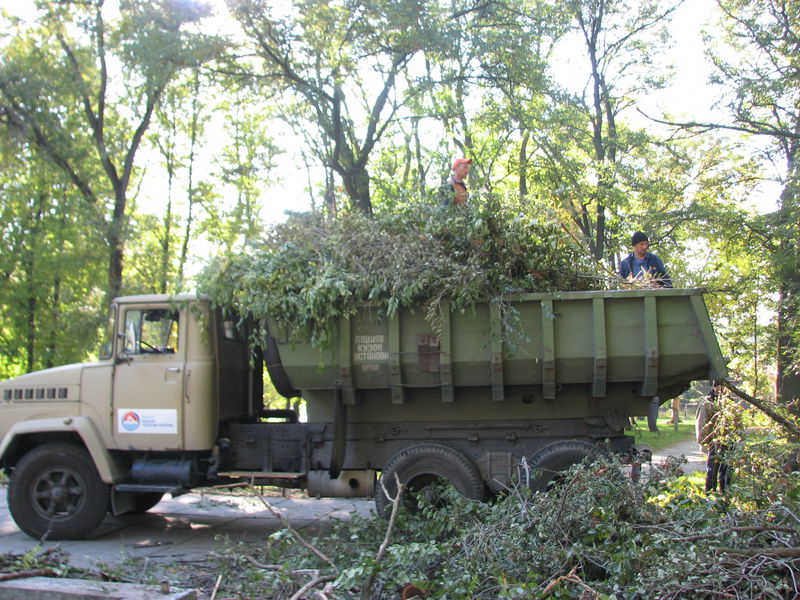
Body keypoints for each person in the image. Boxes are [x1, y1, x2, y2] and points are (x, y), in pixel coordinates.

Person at [695, 383, 731, 493]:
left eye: (723, 386)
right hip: (713, 441)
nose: (721, 388)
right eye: (719, 386)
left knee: (726, 470)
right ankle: (710, 492)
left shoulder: (729, 402)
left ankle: (725, 493)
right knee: (712, 469)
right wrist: (702, 441)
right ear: (714, 387)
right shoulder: (707, 403)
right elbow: (701, 422)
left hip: (727, 440)